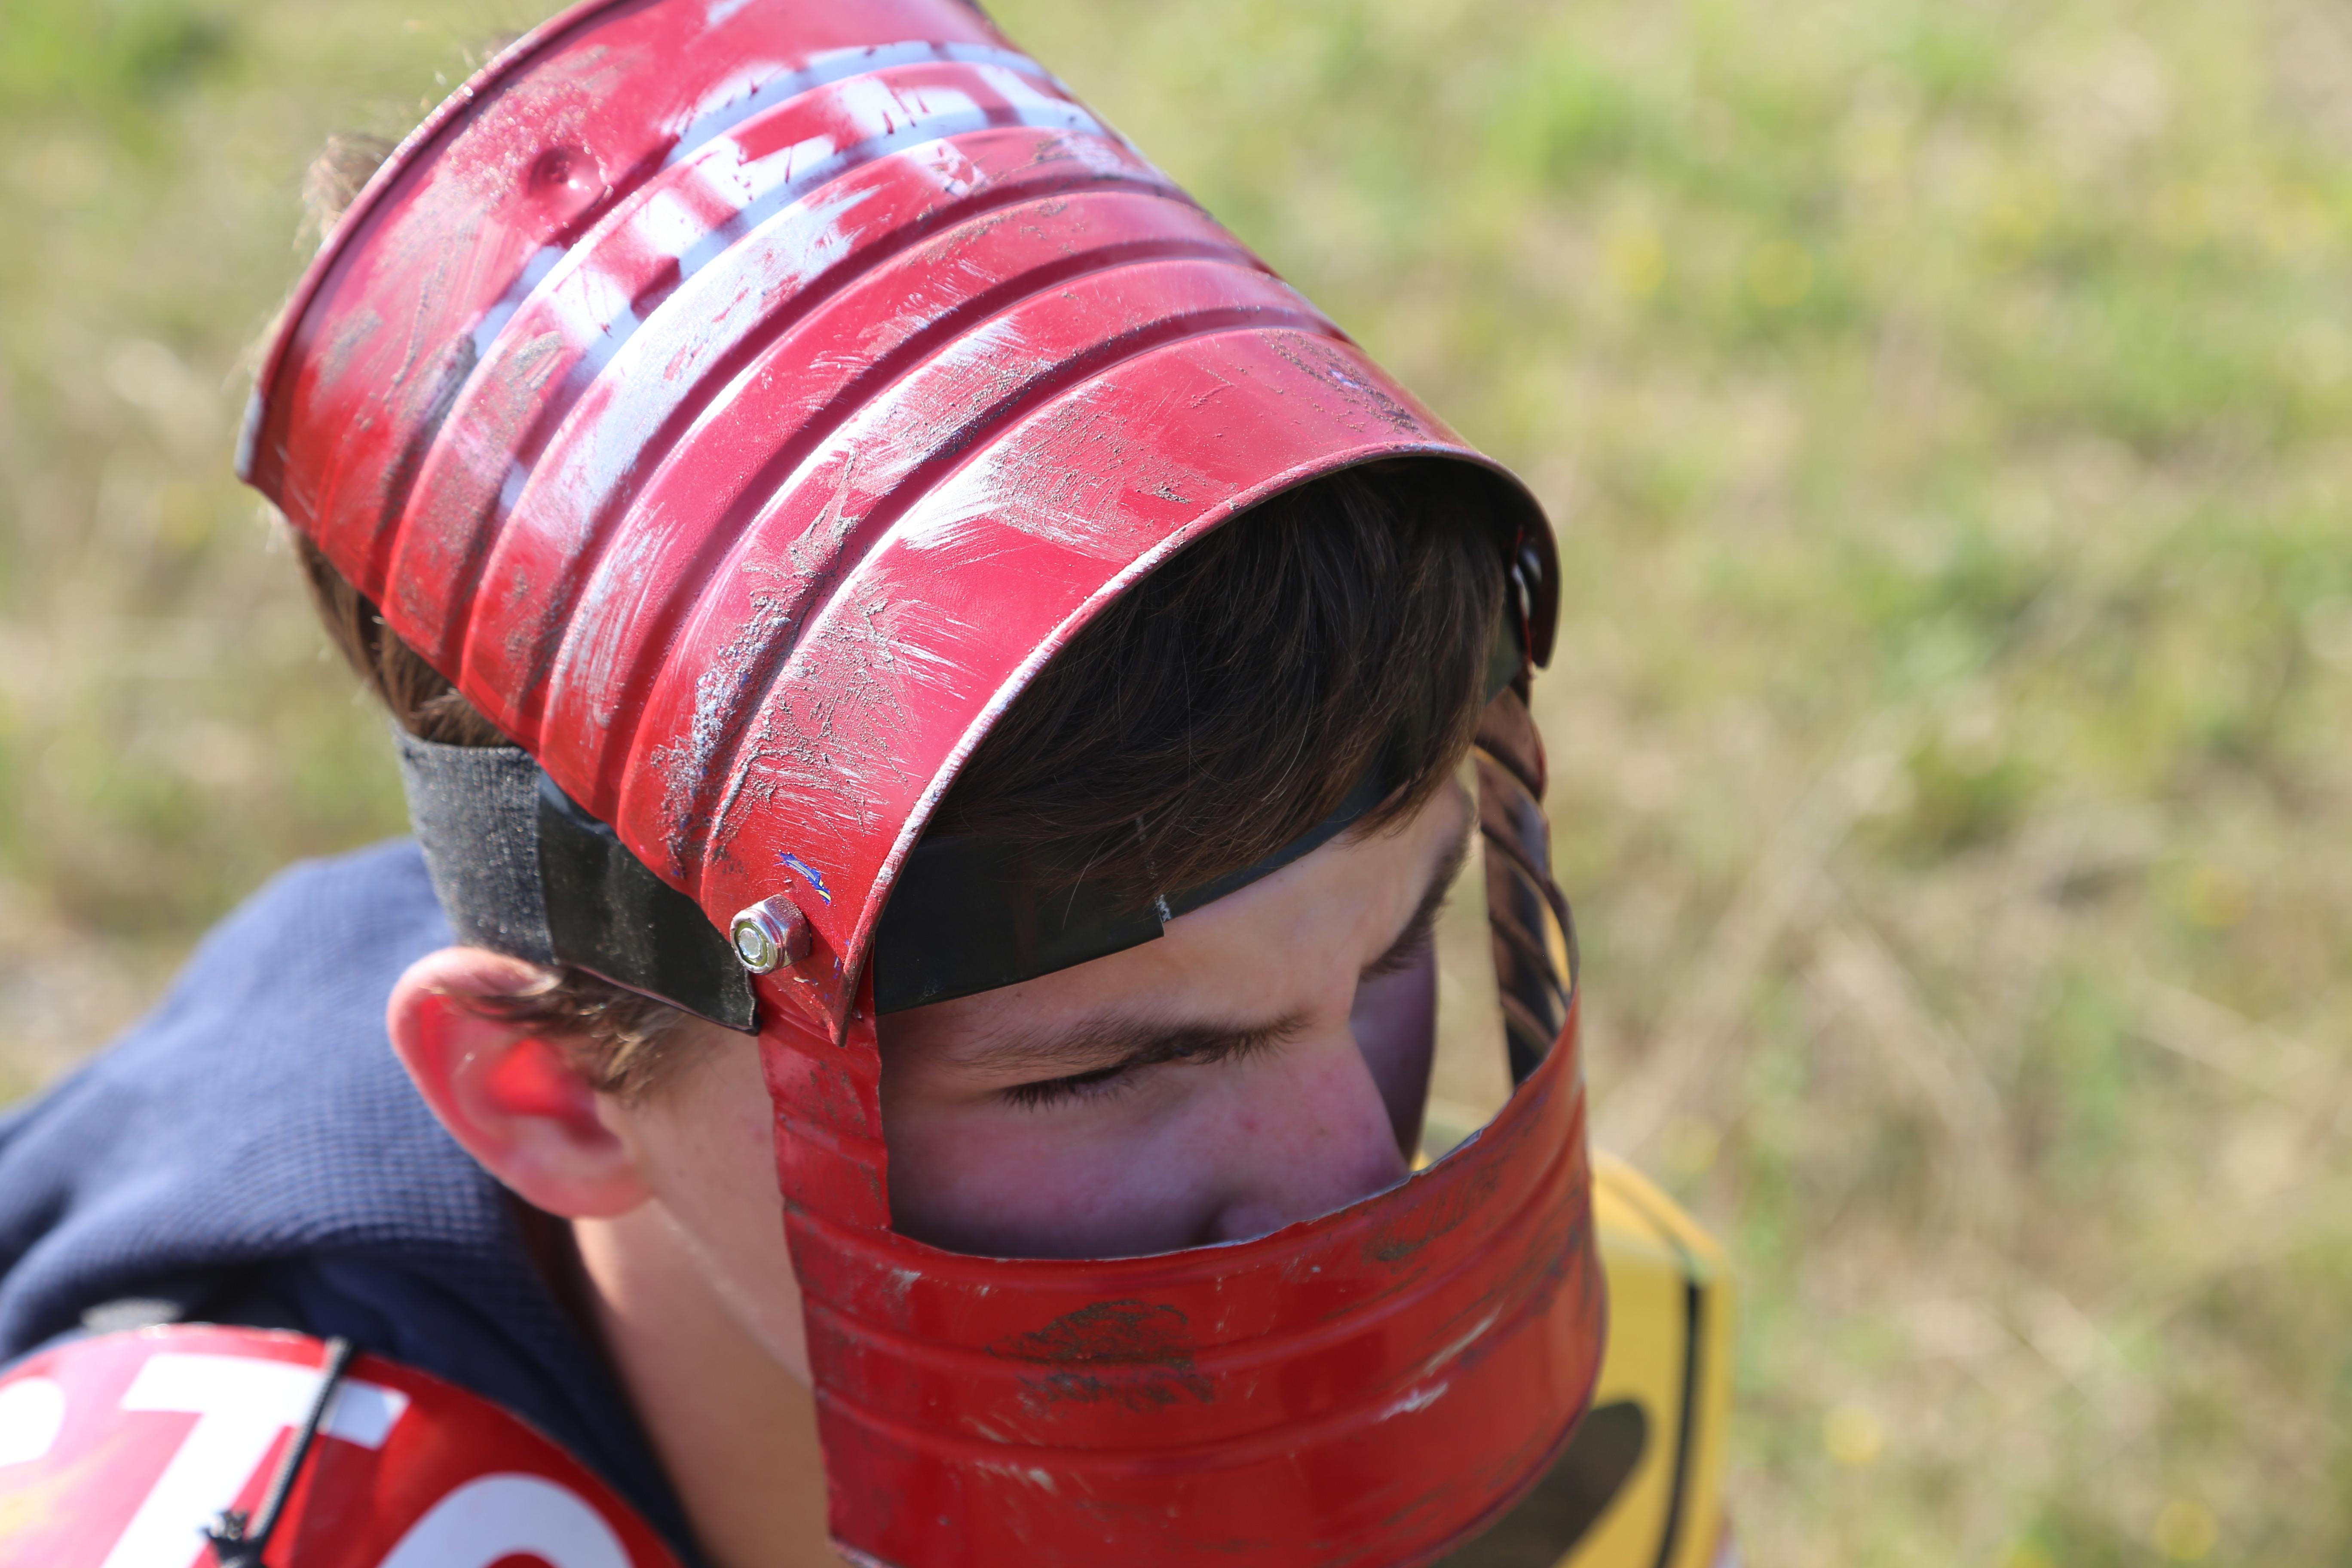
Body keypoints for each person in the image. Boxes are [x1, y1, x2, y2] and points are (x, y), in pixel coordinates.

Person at [0, 2, 1729, 1565]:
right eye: (1116, 1067)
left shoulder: (1561, 1404)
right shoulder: (268, 1528)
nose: (1355, 1173)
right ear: (557, 1099)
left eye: (1393, 939)